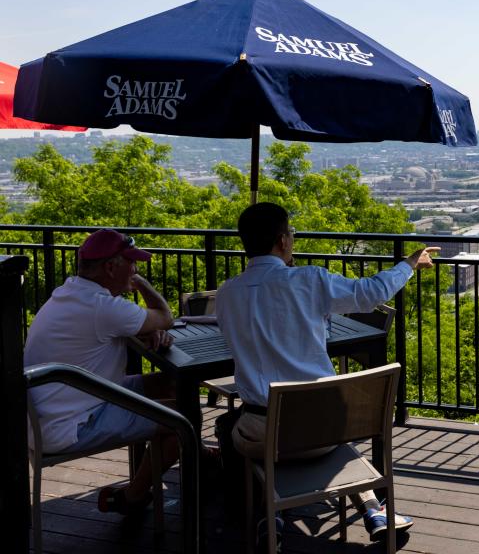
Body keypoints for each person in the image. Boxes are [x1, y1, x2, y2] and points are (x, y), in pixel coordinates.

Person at [216, 202, 436, 543]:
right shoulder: (309, 280)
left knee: (228, 426)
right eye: (290, 233)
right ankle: (373, 506)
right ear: (283, 241)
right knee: (326, 426)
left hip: (262, 437)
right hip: (326, 433)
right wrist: (408, 263)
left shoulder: (227, 293)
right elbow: (370, 293)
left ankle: (266, 512)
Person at [23, 229, 179, 515]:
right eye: (132, 264)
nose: (135, 269)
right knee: (184, 420)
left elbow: (111, 330)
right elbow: (165, 316)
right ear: (111, 267)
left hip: (57, 408)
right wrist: (141, 284)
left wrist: (148, 329)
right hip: (71, 424)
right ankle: (133, 497)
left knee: (171, 386)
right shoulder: (102, 307)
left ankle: (205, 459)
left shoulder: (69, 293)